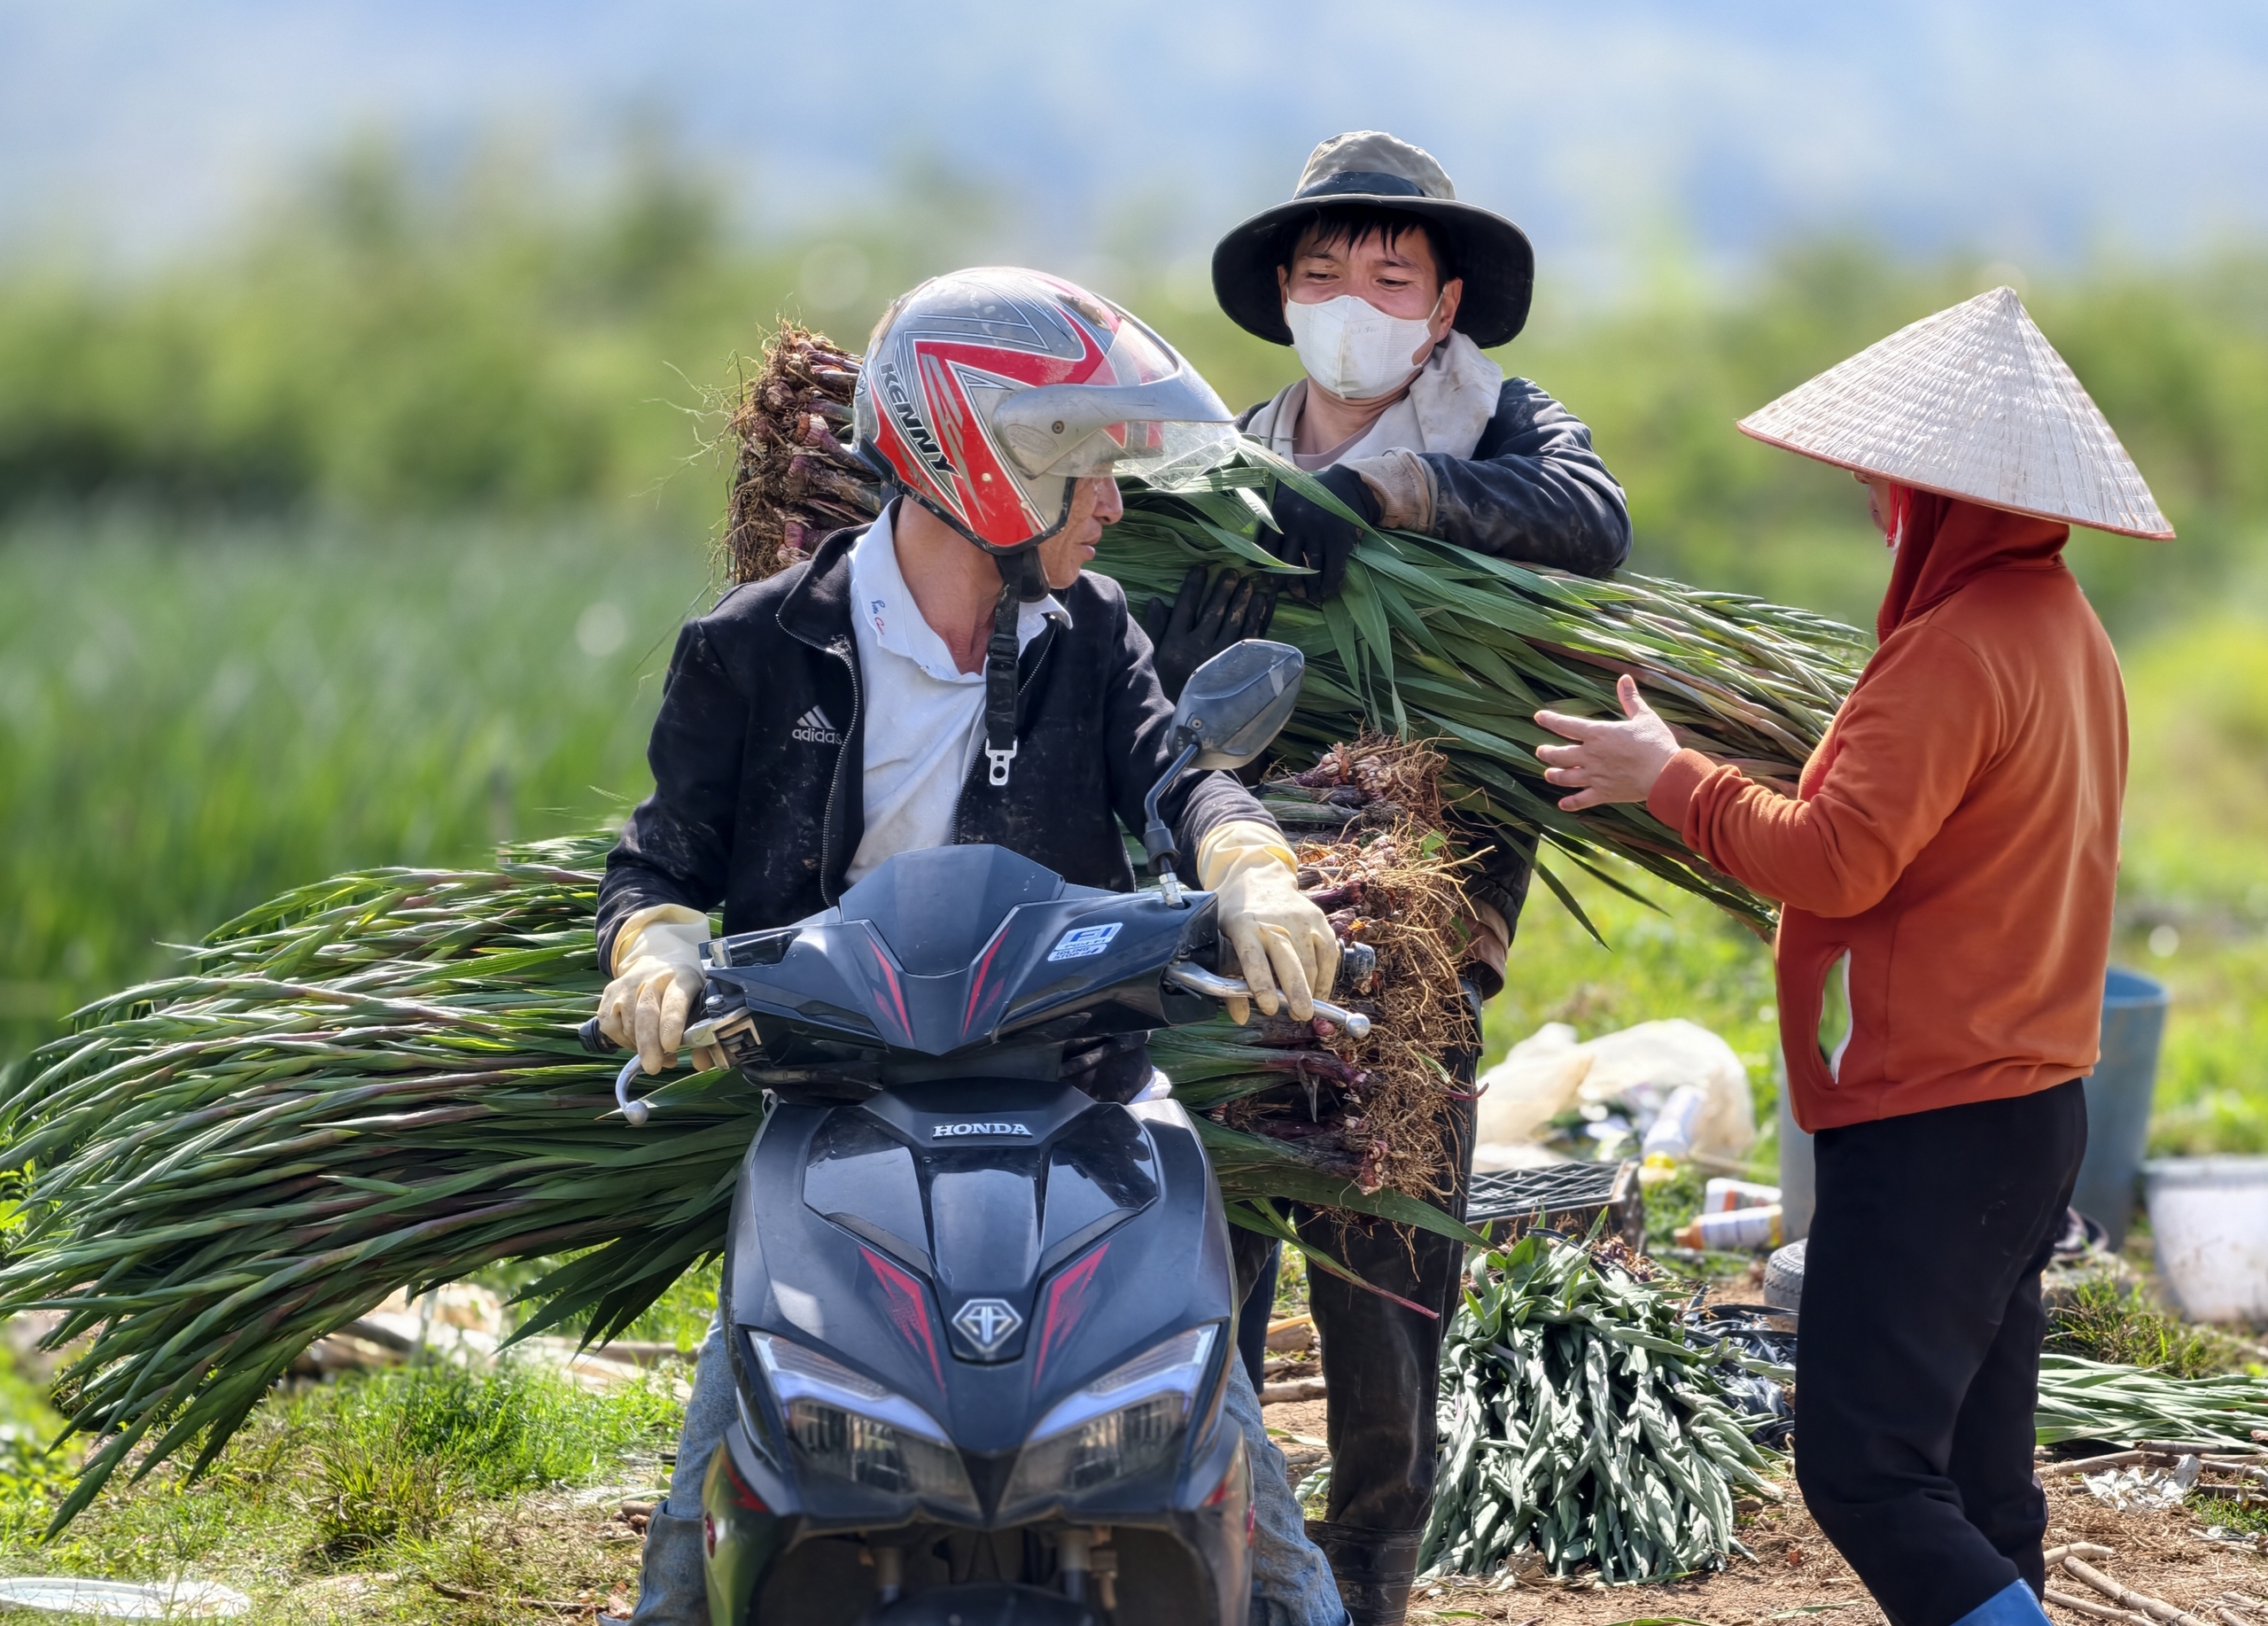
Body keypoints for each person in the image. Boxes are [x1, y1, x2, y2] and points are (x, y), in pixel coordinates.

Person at [596, 268, 1348, 1626]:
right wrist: (652, 953)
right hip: (841, 1097)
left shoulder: (1088, 630)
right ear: (986, 463)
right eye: (1087, 466)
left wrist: (1254, 872)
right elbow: (656, 861)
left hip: (1079, 1084)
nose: (1113, 503)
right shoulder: (754, 648)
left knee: (1248, 1499)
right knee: (714, 1499)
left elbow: (1184, 777)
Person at [1530, 285, 2171, 1626]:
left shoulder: (1953, 652)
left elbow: (1833, 861)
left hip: (1935, 1116)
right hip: (2030, 1109)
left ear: (1939, 495)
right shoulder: (2071, 635)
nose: (1876, 500)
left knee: (1867, 1471)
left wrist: (1671, 777)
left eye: (1890, 480)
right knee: (1979, 1480)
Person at [1141, 130, 1631, 1626]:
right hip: (1235, 913)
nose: (1352, 296)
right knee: (1201, 1266)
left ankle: (1371, 1583)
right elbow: (1160, 676)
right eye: (1322, 272)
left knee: (1384, 1291)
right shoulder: (1222, 459)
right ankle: (1207, 1566)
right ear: (1285, 294)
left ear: (1445, 304)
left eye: (1389, 275)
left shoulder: (1506, 433)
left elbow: (1593, 523)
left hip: (1420, 925)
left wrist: (1400, 493)